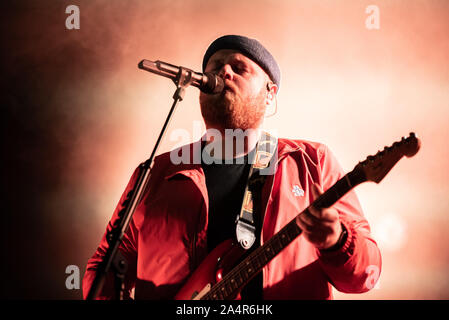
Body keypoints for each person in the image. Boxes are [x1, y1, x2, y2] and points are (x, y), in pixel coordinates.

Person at [83, 35, 382, 300]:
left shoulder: (312, 162)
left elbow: (366, 277)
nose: (222, 71)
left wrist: (338, 241)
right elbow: (105, 265)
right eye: (214, 67)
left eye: (239, 68)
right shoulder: (157, 173)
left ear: (270, 94)